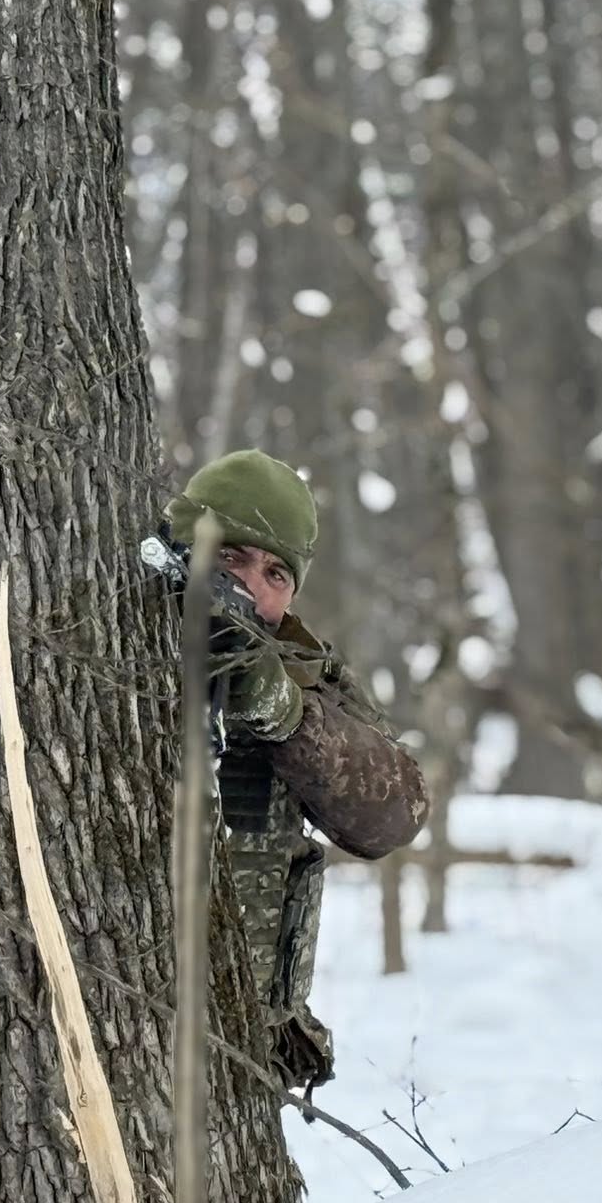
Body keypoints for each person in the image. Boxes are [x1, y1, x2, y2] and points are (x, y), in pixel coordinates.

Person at [162, 449, 430, 1091]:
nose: (251, 586)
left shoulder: (302, 672)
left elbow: (393, 815)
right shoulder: (112, 627)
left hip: (240, 1047)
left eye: (276, 572)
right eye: (229, 556)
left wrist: (284, 714)